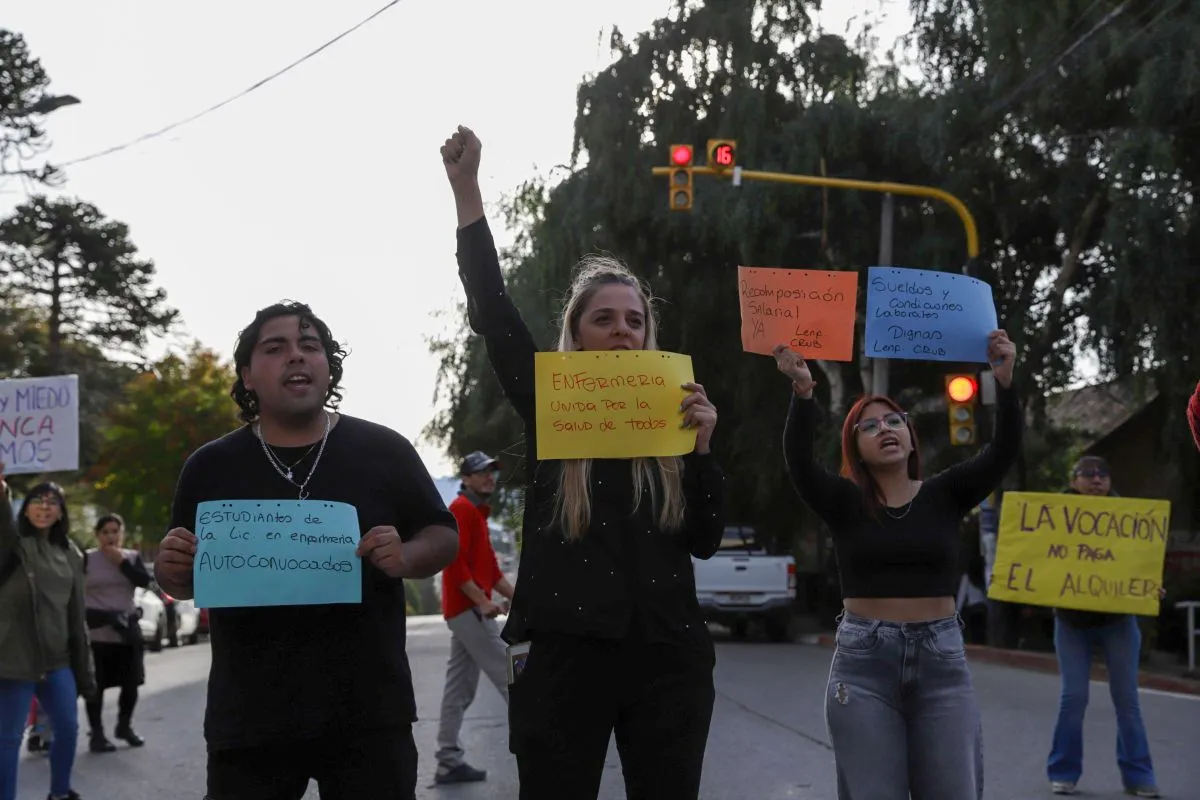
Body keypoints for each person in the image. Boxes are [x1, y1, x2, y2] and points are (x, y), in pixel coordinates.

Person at [443, 125, 726, 800]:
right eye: (605, 319)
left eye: (634, 320)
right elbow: (494, 314)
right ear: (575, 334)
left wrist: (703, 450)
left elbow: (706, 539)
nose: (622, 330)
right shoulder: (552, 405)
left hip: (668, 658)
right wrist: (467, 192)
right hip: (563, 658)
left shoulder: (677, 418)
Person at [152, 302, 459, 800]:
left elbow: (442, 533)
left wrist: (406, 556)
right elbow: (181, 576)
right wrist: (170, 570)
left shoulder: (385, 450)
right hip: (249, 719)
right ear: (247, 375)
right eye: (275, 348)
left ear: (328, 367)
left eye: (310, 346)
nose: (296, 356)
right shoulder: (209, 466)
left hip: (368, 714)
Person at [774, 331, 1020, 800]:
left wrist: (1005, 383)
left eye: (894, 421)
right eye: (869, 426)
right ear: (856, 448)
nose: (885, 429)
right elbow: (800, 463)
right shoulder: (844, 502)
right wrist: (803, 393)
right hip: (864, 664)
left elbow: (1002, 452)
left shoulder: (946, 493)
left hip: (941, 661)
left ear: (910, 439)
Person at [1047, 455, 1160, 798]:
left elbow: (1143, 563)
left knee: (1127, 699)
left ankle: (1140, 777)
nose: (1097, 480)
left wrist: (1151, 586)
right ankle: (1063, 772)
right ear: (1074, 481)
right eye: (1088, 474)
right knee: (1073, 697)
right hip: (1071, 623)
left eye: (1103, 475)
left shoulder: (1130, 519)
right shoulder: (1051, 518)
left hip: (1118, 621)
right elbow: (1037, 560)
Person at [0, 468, 94, 800]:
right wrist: (1, 492)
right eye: (37, 500)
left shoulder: (72, 554)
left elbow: (77, 615)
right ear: (25, 509)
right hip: (16, 659)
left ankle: (59, 792)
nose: (44, 506)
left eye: (52, 501)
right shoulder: (14, 545)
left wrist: (84, 668)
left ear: (61, 512)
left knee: (68, 728)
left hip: (58, 661)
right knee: (9, 739)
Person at [434, 450, 516, 785]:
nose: (489, 478)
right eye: (481, 472)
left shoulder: (476, 513)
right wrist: (482, 601)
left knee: (459, 690)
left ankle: (447, 761)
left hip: (467, 612)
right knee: (514, 678)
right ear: (465, 479)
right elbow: (454, 564)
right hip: (468, 611)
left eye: (492, 472)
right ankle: (546, 747)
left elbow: (492, 571)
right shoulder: (461, 510)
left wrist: (521, 600)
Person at [83, 513, 151, 753]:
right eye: (105, 532)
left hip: (125, 630)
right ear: (97, 535)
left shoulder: (131, 557)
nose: (110, 537)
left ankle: (124, 726)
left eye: (115, 531)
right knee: (96, 686)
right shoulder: (87, 559)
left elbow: (144, 581)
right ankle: (97, 734)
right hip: (97, 631)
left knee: (131, 682)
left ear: (122, 534)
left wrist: (121, 563)